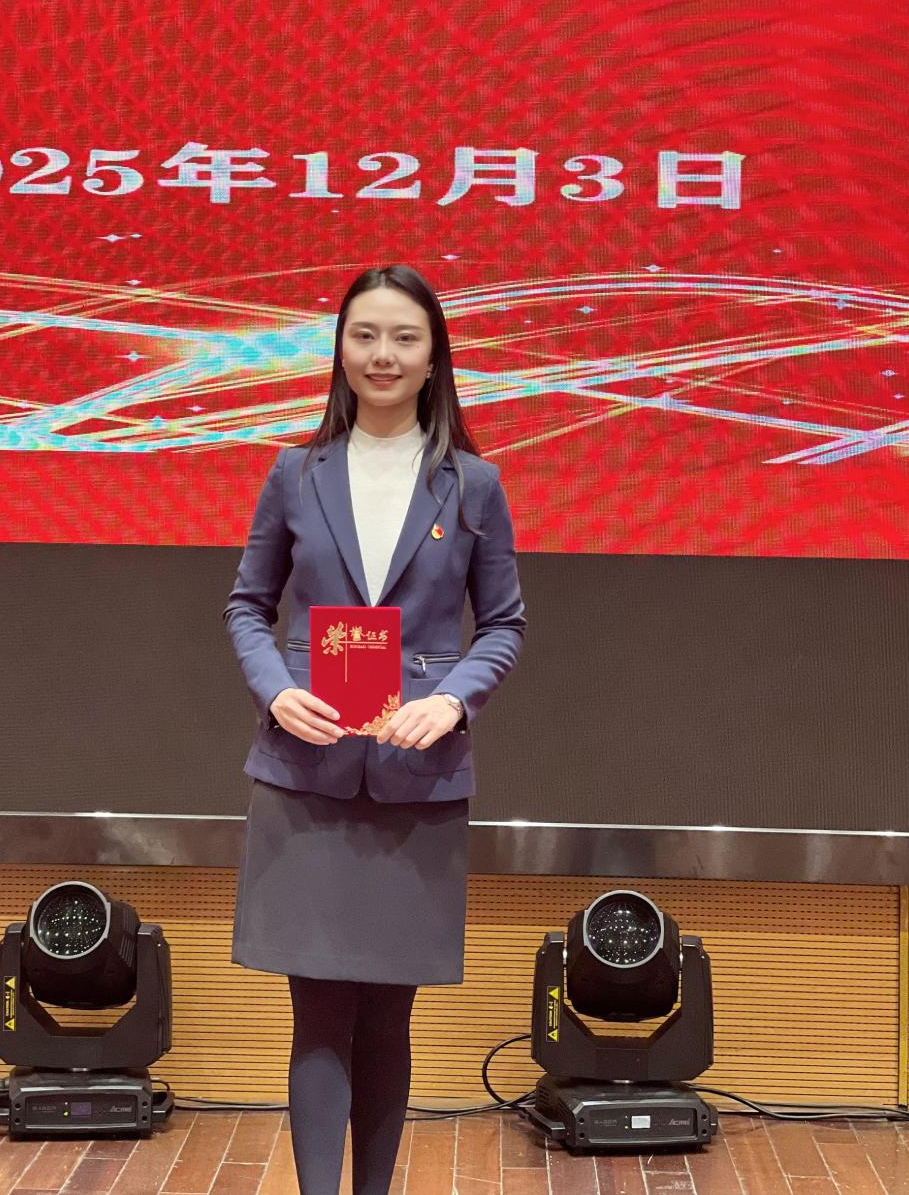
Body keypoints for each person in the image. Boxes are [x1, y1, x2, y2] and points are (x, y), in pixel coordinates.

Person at [223, 263, 526, 1195]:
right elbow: (247, 607)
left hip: (415, 780)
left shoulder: (473, 484)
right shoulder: (294, 473)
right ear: (340, 350)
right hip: (305, 777)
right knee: (317, 1015)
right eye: (364, 335)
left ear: (434, 357)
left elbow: (504, 624)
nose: (382, 354)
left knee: (389, 1018)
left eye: (403, 337)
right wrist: (277, 691)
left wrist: (452, 700)